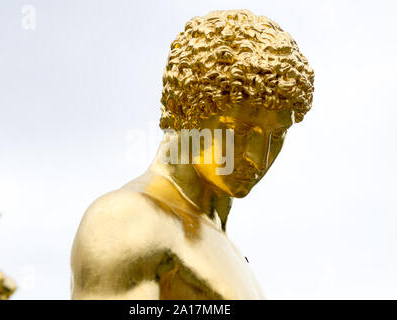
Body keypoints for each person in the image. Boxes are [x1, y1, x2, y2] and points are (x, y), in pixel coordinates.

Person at [71, 9, 314, 299]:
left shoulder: (226, 245)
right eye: (240, 131)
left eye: (277, 136)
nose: (257, 159)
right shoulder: (126, 221)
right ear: (186, 110)